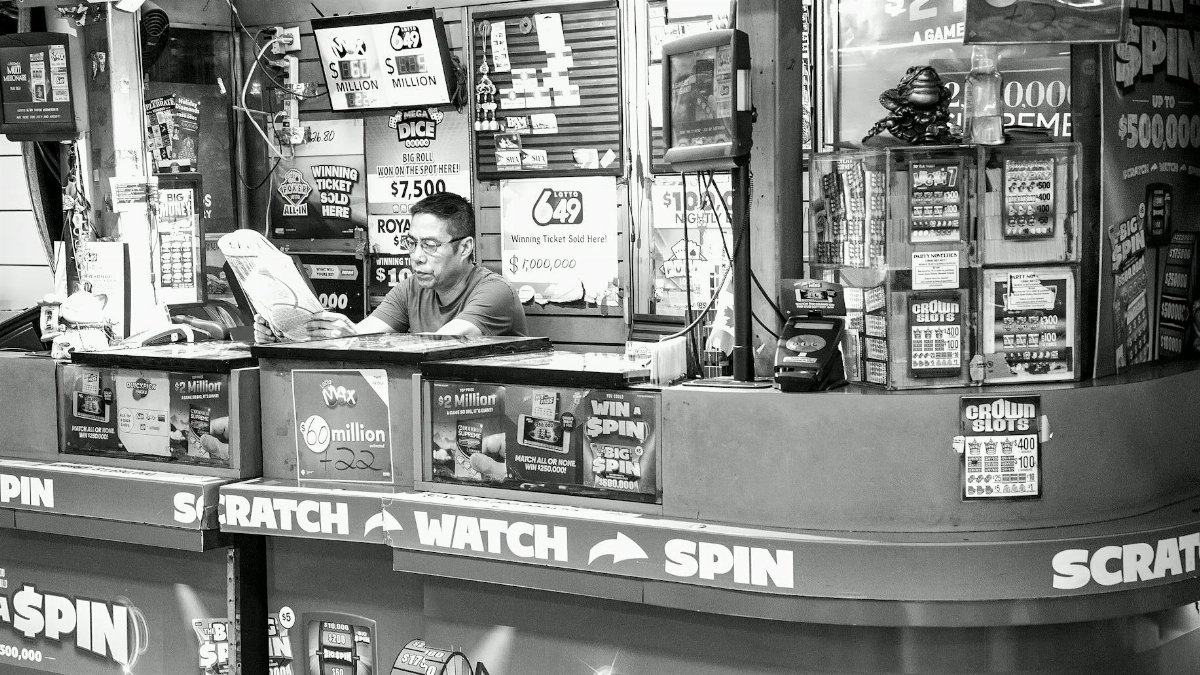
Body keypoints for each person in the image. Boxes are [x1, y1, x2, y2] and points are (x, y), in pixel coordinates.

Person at [254, 192, 527, 343]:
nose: (417, 256)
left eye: (430, 245)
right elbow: (362, 333)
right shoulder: (412, 288)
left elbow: (442, 344)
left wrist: (354, 337)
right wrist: (286, 334)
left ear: (465, 247)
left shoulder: (495, 292)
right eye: (412, 243)